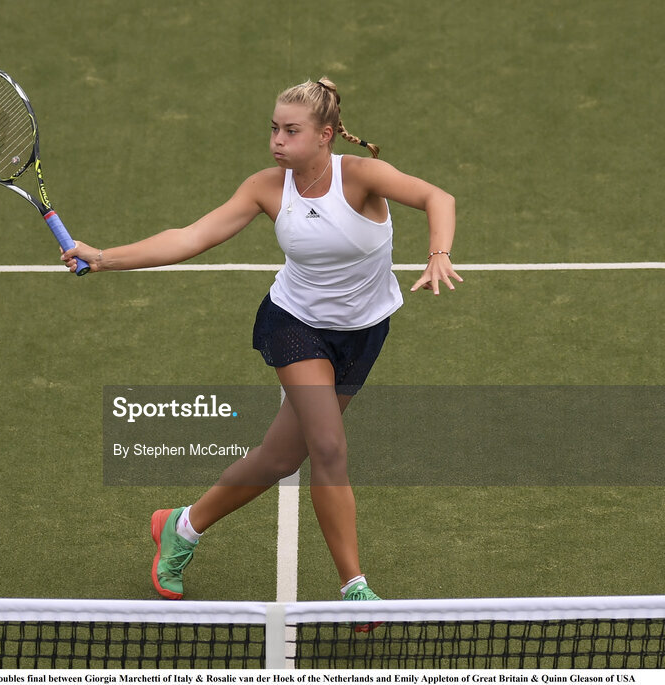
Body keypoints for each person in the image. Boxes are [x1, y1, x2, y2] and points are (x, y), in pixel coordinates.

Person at [61, 77, 461, 606]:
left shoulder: (363, 177)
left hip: (364, 332)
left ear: (325, 136)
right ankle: (355, 587)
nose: (277, 140)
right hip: (294, 324)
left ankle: (181, 526)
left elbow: (438, 197)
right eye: (274, 129)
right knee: (328, 447)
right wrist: (105, 256)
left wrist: (438, 252)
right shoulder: (267, 188)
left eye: (290, 131)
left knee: (277, 458)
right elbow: (191, 237)